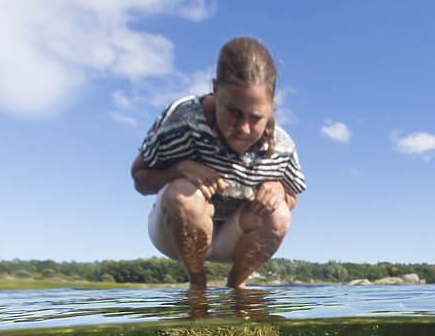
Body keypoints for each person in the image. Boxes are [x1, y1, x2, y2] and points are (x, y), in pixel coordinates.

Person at [131, 37, 306, 290]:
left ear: (271, 105)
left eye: (256, 117)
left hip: (234, 237)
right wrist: (179, 169)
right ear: (215, 89)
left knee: (279, 213)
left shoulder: (282, 146)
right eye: (233, 111)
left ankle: (236, 286)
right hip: (174, 232)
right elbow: (139, 179)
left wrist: (279, 190)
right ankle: (197, 284)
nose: (243, 129)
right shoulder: (183, 119)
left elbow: (292, 197)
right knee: (183, 194)